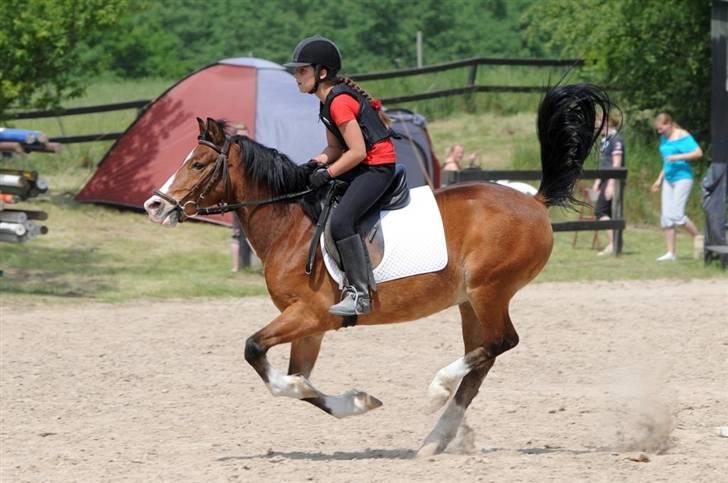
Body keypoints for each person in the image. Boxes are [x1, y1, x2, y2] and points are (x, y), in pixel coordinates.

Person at [286, 36, 397, 316]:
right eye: (296, 71)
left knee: (342, 221)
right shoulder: (325, 102)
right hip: (362, 164)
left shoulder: (339, 102)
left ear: (321, 73)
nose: (296, 76)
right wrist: (315, 164)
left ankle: (360, 294)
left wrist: (330, 173)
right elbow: (336, 147)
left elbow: (358, 151)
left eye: (302, 71)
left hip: (377, 167)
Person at [650, 113, 703, 261]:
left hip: (683, 178)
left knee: (677, 215)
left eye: (661, 129)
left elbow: (698, 153)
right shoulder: (663, 139)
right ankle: (670, 253)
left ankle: (699, 238)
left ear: (669, 124)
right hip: (668, 178)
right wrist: (659, 180)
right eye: (658, 129)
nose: (660, 132)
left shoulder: (682, 135)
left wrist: (678, 157)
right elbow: (666, 162)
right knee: (667, 217)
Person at [591, 111, 625, 256]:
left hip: (612, 180)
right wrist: (597, 181)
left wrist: (611, 183)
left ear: (606, 123)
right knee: (608, 212)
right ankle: (615, 243)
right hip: (604, 178)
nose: (596, 126)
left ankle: (614, 243)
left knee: (601, 211)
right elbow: (603, 163)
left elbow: (616, 163)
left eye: (598, 123)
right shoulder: (605, 140)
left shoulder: (616, 139)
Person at [226, 123, 250, 272]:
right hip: (238, 200)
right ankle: (235, 267)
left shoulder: (251, 153)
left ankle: (242, 267)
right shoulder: (234, 156)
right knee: (237, 233)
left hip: (252, 200)